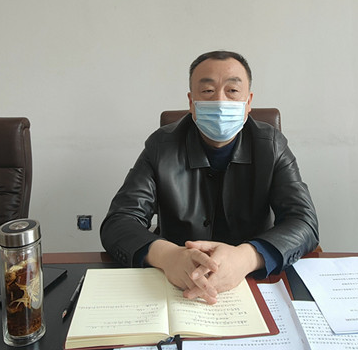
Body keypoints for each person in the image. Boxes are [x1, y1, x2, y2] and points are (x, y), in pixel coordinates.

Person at [101, 50, 318, 304]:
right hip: (177, 281)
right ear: (191, 102)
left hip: (251, 279)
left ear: (248, 101)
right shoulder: (161, 146)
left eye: (232, 91)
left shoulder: (271, 145)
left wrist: (247, 257)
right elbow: (119, 220)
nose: (220, 101)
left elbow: (304, 221)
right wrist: (168, 256)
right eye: (207, 91)